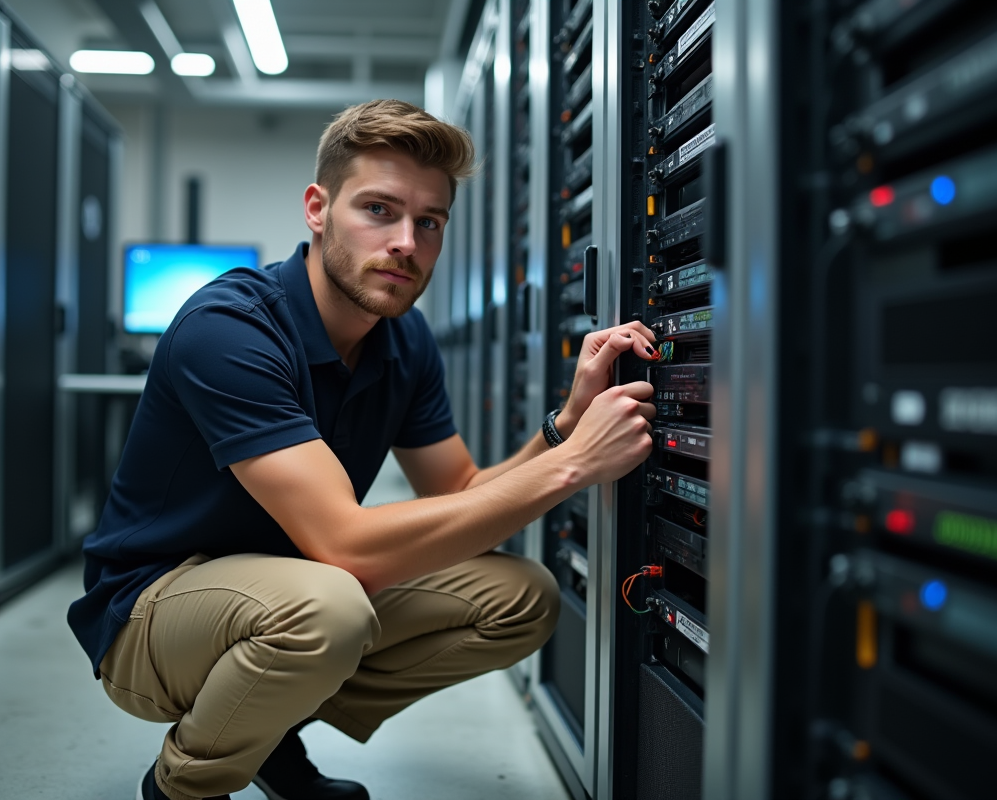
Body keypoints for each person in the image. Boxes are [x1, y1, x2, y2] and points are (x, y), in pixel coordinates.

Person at [67, 99, 659, 800]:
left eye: (429, 221)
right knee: (328, 609)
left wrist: (567, 420)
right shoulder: (228, 328)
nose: (407, 241)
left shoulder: (403, 341)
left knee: (520, 597)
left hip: (290, 588)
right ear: (318, 209)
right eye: (378, 210)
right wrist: (576, 465)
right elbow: (345, 545)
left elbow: (459, 495)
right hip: (149, 614)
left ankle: (262, 732)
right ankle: (183, 787)